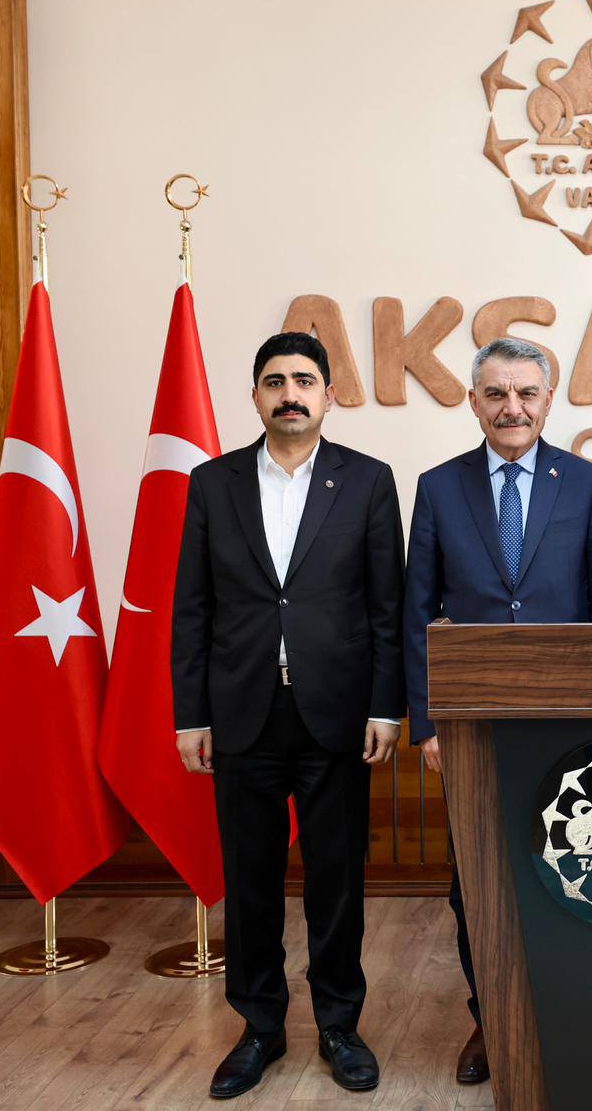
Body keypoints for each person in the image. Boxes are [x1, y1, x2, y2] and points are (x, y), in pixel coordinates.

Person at [173, 331, 405, 1100]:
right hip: (243, 712)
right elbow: (192, 609)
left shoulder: (367, 482)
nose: (290, 394)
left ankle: (340, 1026)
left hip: (337, 712)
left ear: (329, 395)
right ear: (255, 397)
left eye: (304, 380)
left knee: (336, 879)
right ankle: (259, 1028)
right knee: (251, 881)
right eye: (275, 382)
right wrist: (190, 714)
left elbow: (387, 606)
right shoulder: (213, 484)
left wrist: (386, 705)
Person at [403, 337, 592, 1086]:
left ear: (548, 401)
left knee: (568, 872)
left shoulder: (587, 484)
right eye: (497, 393)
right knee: (478, 882)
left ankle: (569, 1014)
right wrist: (429, 723)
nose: (512, 407)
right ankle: (490, 1018)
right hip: (471, 728)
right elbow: (417, 614)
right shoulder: (439, 487)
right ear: (474, 401)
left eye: (527, 393)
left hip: (571, 726)